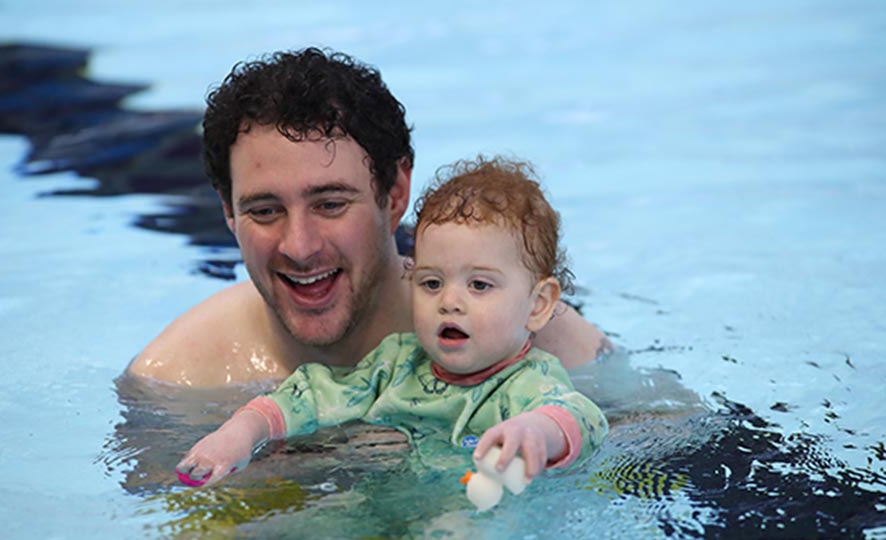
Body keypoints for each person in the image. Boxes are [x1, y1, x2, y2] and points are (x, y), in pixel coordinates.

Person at [126, 47, 611, 387]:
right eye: (265, 210)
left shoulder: (531, 336)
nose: (300, 245)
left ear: (395, 192)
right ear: (228, 213)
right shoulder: (178, 380)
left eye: (331, 204)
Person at [174, 156, 609, 488]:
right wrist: (239, 433)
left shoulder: (528, 385)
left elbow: (581, 418)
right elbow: (309, 395)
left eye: (479, 286)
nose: (450, 302)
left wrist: (535, 432)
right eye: (432, 282)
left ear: (539, 304)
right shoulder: (394, 365)